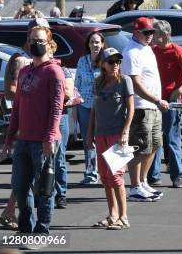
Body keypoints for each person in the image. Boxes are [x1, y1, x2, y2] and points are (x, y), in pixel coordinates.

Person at [2, 25, 65, 233]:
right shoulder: (25, 71)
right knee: (20, 186)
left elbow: (57, 108)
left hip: (44, 141)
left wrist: (49, 137)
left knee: (44, 188)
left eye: (40, 41)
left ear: (49, 44)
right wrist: (9, 138)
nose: (36, 44)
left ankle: (42, 228)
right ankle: (25, 227)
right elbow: (18, 106)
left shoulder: (54, 72)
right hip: (24, 140)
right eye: (33, 41)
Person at [86, 48, 134, 230]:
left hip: (117, 134)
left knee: (116, 176)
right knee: (105, 177)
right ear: (102, 64)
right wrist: (89, 132)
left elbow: (131, 109)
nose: (116, 65)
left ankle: (124, 217)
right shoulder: (98, 83)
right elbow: (93, 110)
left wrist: (125, 131)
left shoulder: (125, 81)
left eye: (118, 61)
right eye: (111, 61)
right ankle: (112, 214)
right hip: (101, 134)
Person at [122, 17, 168, 201]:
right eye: (147, 33)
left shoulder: (146, 48)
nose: (150, 36)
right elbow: (135, 83)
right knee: (139, 148)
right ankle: (134, 187)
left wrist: (157, 102)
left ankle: (142, 183)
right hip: (142, 107)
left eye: (152, 33)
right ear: (136, 32)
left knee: (154, 145)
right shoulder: (131, 52)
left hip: (153, 106)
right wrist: (156, 99)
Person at [148, 20, 182, 188]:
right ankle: (153, 175)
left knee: (171, 138)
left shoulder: (176, 51)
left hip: (171, 99)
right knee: (155, 138)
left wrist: (180, 90)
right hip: (154, 99)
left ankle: (177, 175)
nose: (152, 36)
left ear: (165, 35)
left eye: (155, 33)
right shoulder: (152, 51)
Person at [0, 53, 29, 230]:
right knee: (23, 175)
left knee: (25, 175)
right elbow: (11, 93)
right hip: (20, 134)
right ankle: (9, 211)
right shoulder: (14, 82)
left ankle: (10, 211)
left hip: (22, 131)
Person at [74, 31, 106, 184]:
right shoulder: (82, 61)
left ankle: (107, 171)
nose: (95, 45)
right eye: (92, 42)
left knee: (104, 139)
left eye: (97, 42)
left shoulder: (107, 60)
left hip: (103, 107)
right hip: (85, 106)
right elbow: (77, 84)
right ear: (88, 44)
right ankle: (91, 172)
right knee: (88, 141)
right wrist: (75, 107)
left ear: (102, 44)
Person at [53, 66, 76, 210]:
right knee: (40, 158)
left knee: (59, 157)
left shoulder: (63, 70)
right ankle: (42, 193)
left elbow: (68, 94)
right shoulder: (32, 69)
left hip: (61, 116)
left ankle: (61, 194)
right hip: (39, 116)